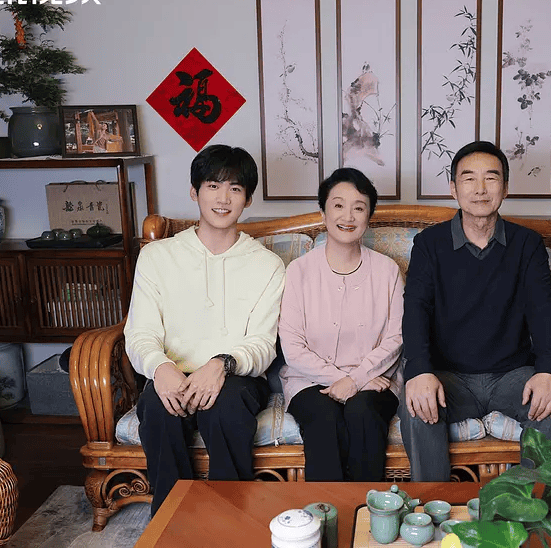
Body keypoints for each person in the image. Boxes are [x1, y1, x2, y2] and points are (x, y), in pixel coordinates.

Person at [124, 144, 286, 514]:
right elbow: (140, 331)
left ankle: (231, 518)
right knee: (158, 407)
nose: (223, 198)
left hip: (237, 377)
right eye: (213, 186)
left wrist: (221, 364)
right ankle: (172, 521)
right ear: (194, 192)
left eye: (235, 188)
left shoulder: (267, 265)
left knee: (225, 407)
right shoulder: (157, 256)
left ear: (247, 199)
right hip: (173, 371)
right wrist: (160, 368)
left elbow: (263, 343)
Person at [400, 141, 551, 481]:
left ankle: (537, 509)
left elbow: (542, 312)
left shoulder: (527, 244)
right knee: (416, 405)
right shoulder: (429, 244)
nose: (480, 189)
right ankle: (434, 506)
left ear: (505, 188)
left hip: (512, 375)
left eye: (490, 178)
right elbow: (416, 311)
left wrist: (549, 371)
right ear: (453, 189)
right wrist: (419, 371)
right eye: (469, 179)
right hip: (450, 378)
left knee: (550, 406)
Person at [278, 167, 403, 481]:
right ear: (323, 213)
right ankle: (325, 507)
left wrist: (358, 378)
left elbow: (396, 337)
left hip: (375, 379)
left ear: (369, 216)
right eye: (338, 205)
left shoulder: (387, 270)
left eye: (358, 208)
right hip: (308, 380)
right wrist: (344, 380)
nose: (348, 216)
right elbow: (292, 347)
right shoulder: (299, 271)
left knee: (363, 412)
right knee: (323, 417)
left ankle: (365, 507)